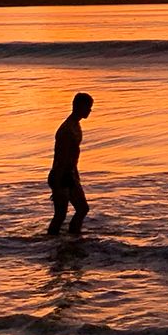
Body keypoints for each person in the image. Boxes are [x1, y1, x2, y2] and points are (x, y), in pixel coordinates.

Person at [47, 91, 94, 236]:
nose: (90, 111)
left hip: (70, 174)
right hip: (61, 176)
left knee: (82, 209)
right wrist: (57, 184)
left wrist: (76, 177)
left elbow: (73, 157)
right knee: (60, 215)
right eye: (88, 107)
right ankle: (51, 240)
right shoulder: (67, 130)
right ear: (79, 106)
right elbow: (61, 158)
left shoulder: (76, 125)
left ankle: (74, 236)